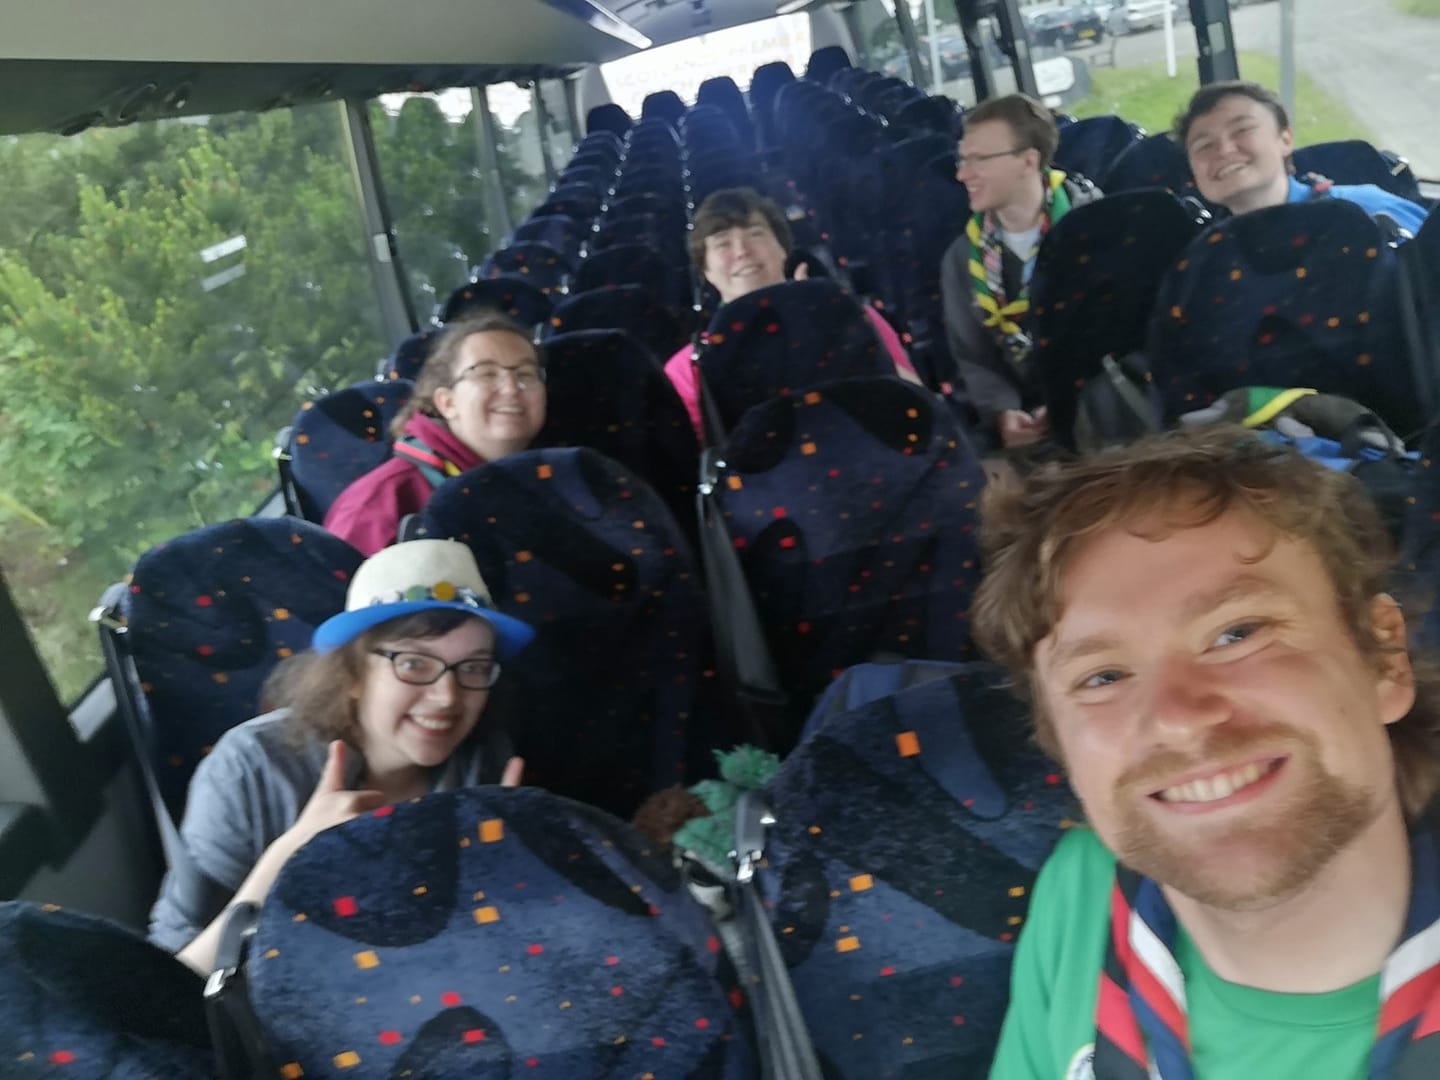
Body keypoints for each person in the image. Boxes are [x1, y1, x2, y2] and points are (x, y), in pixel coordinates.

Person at [972, 426, 1440, 1079]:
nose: (1177, 719)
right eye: (1102, 677)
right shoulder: (1085, 894)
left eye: (1237, 633)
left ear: (1384, 658)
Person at [149, 539, 534, 975]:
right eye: (413, 664)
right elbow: (176, 976)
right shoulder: (250, 769)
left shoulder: (483, 762)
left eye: (474, 667)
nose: (448, 697)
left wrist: (503, 882)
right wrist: (288, 855)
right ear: (352, 674)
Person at [662, 187, 921, 439]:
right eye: (723, 244)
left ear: (782, 249)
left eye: (755, 234)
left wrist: (822, 318)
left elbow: (916, 401)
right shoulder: (688, 368)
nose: (742, 251)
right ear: (705, 270)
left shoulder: (852, 317)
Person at [939, 94, 1099, 451]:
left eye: (979, 160)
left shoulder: (1097, 230)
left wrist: (1070, 403)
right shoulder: (962, 258)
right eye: (963, 159)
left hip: (1101, 410)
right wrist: (1002, 412)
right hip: (1027, 424)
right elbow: (972, 355)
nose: (962, 174)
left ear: (1028, 161)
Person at [324, 312, 547, 556]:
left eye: (525, 374)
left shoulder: (553, 476)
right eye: (487, 373)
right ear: (447, 403)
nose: (511, 388)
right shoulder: (377, 505)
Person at [1178, 81, 1427, 236]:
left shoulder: (1372, 210)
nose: (1224, 149)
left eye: (1242, 129)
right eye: (1204, 145)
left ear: (1285, 139)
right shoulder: (1203, 265)